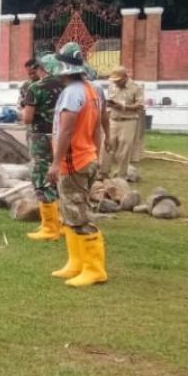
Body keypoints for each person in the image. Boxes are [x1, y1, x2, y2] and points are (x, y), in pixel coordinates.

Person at [42, 43, 108, 288]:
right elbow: (98, 126)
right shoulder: (94, 90)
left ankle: (94, 269)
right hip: (87, 157)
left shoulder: (71, 93)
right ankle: (76, 262)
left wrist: (56, 163)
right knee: (71, 213)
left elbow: (67, 129)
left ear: (63, 70)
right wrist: (97, 156)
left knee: (78, 216)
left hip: (74, 162)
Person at [19, 57, 65, 241]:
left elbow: (27, 118)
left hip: (40, 138)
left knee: (41, 178)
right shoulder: (64, 85)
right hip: (61, 136)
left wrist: (21, 111)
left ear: (39, 68)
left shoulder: (35, 88)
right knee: (60, 177)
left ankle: (49, 227)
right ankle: (62, 222)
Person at [100, 66, 143, 179]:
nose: (116, 83)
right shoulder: (112, 87)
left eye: (118, 81)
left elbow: (140, 105)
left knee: (124, 148)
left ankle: (120, 175)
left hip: (128, 121)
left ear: (125, 77)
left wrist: (124, 107)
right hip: (113, 120)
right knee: (107, 145)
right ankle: (103, 173)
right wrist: (110, 105)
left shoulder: (135, 88)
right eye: (114, 81)